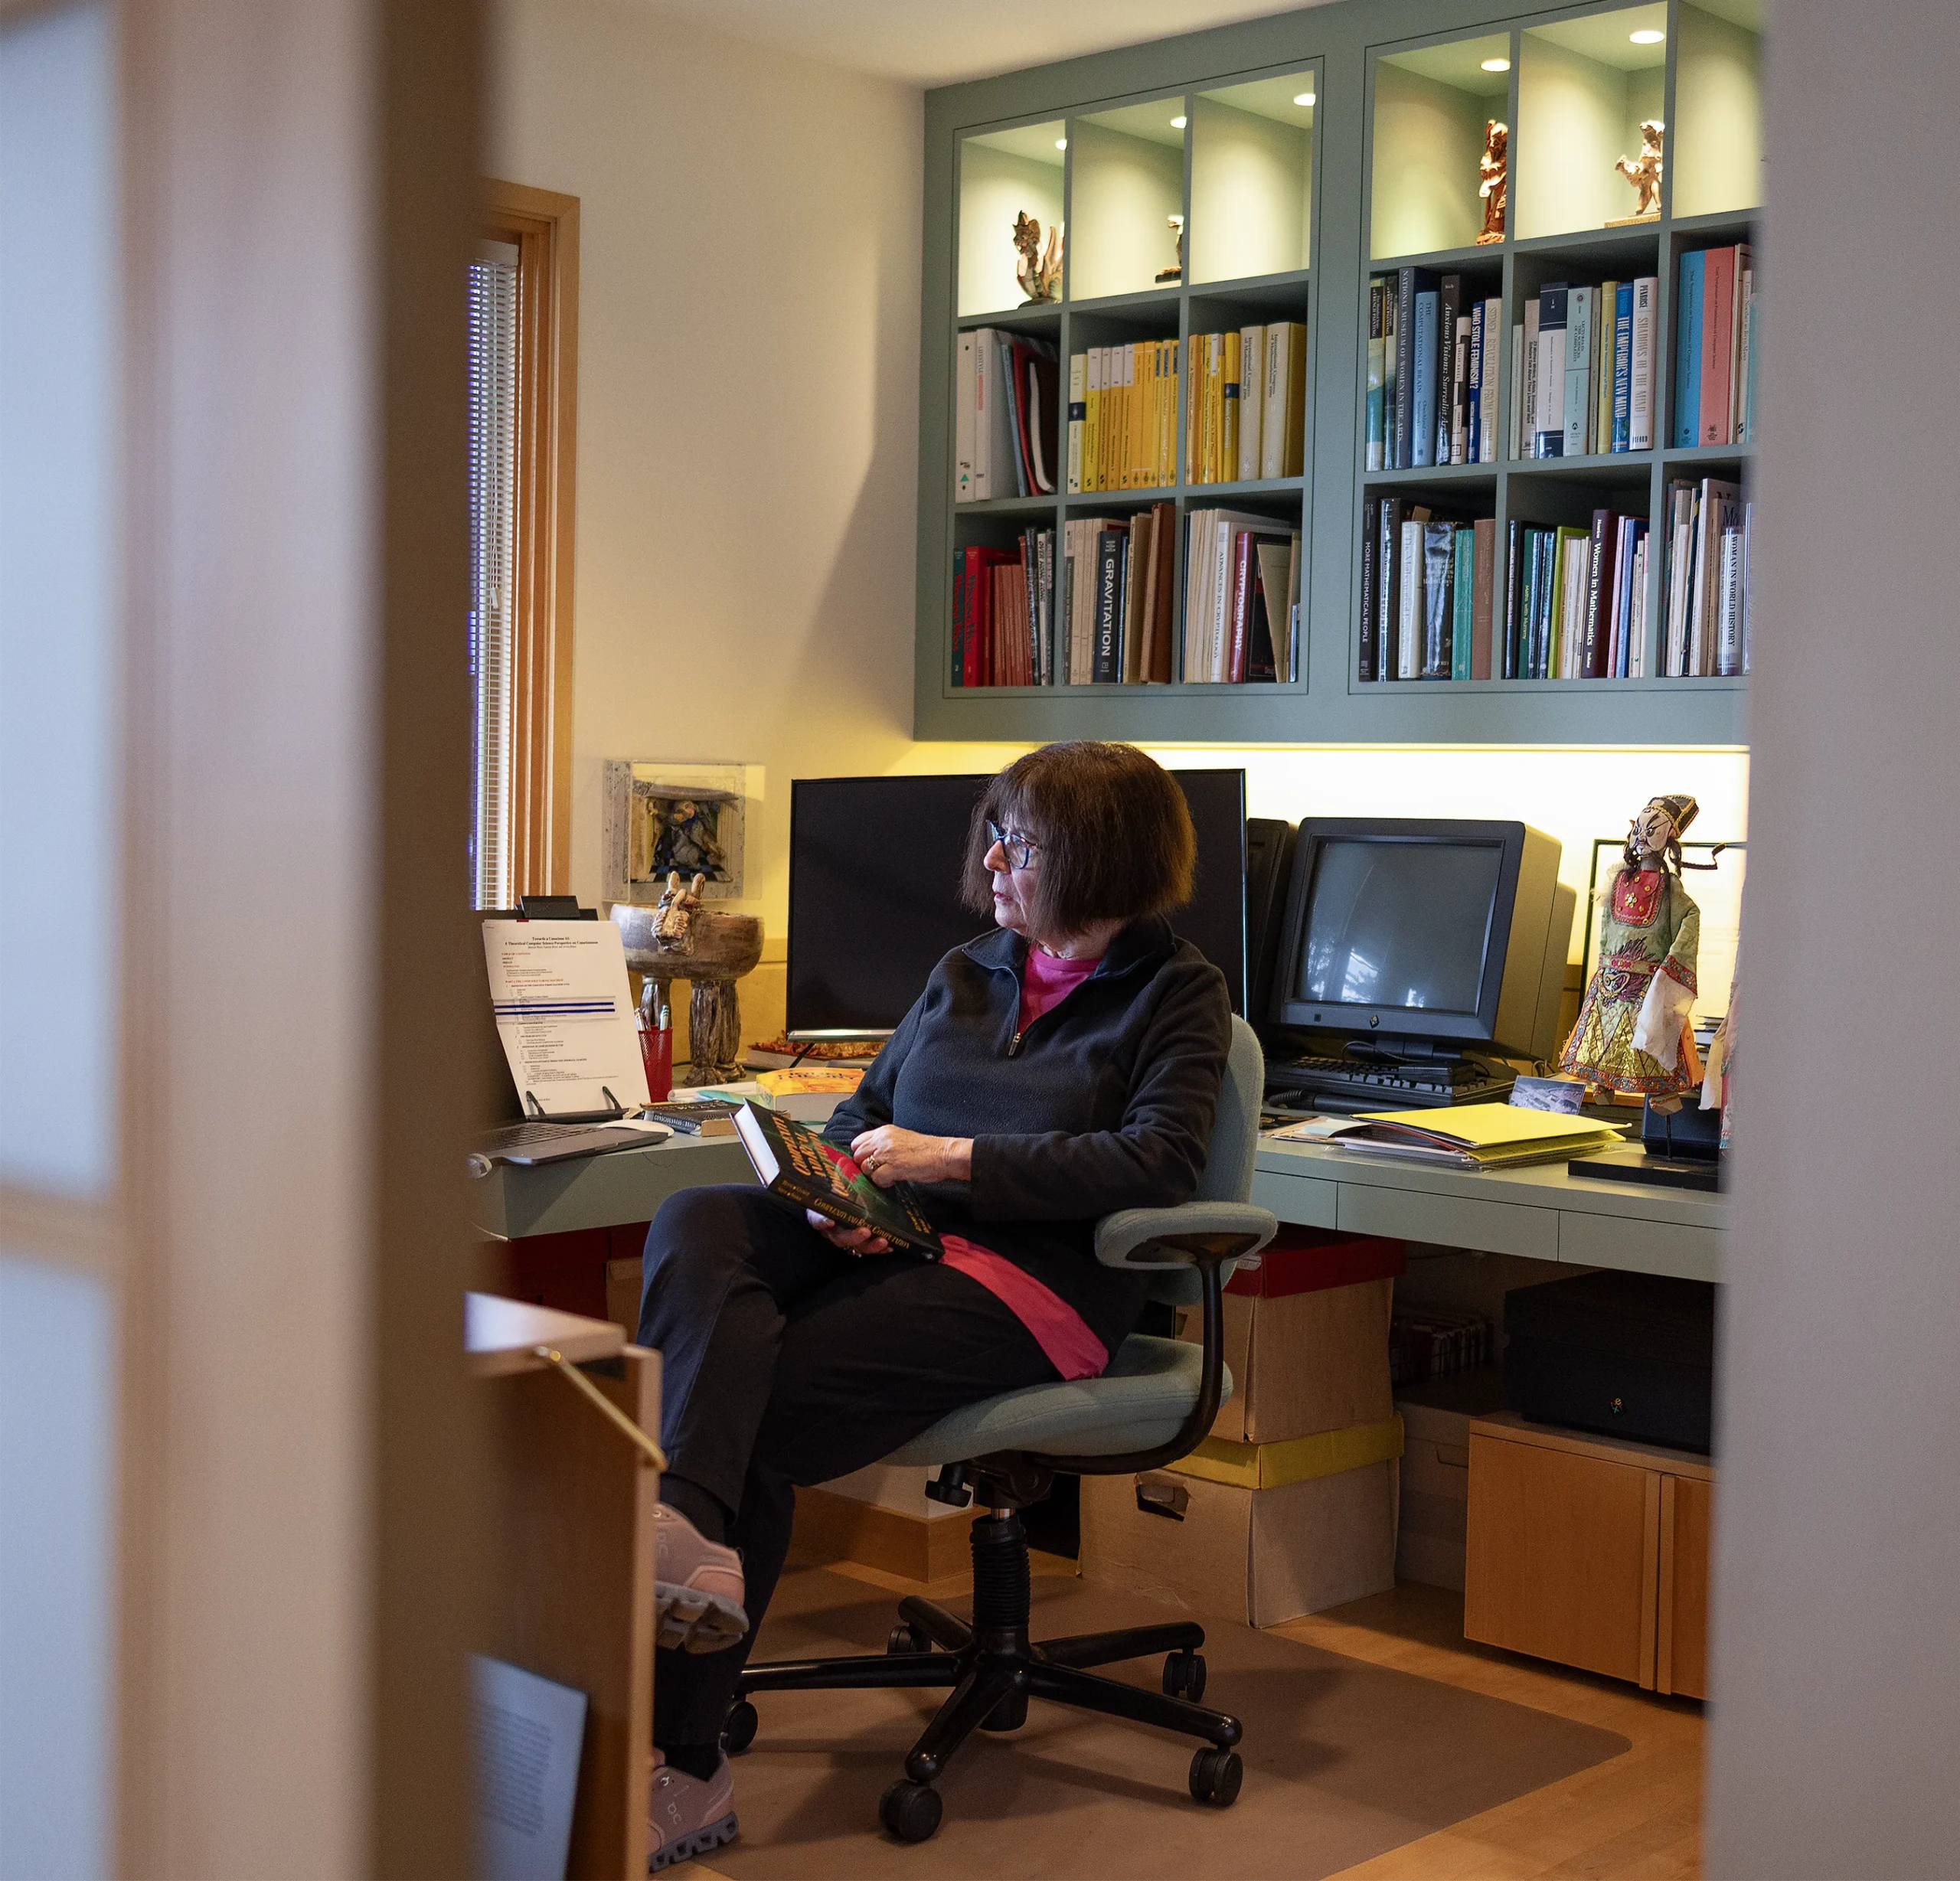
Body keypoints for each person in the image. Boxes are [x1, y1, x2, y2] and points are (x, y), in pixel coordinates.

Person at [635, 741, 1232, 1869]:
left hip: (1034, 1285)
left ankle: (687, 1761)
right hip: (901, 1245)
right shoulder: (967, 968)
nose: (995, 859)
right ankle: (688, 1532)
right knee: (699, 1219)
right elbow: (866, 1108)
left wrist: (950, 1159)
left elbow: (1158, 1163)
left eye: (1028, 843)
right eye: (994, 832)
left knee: (752, 1404)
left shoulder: (1178, 993)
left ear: (1100, 860)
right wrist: (838, 1194)